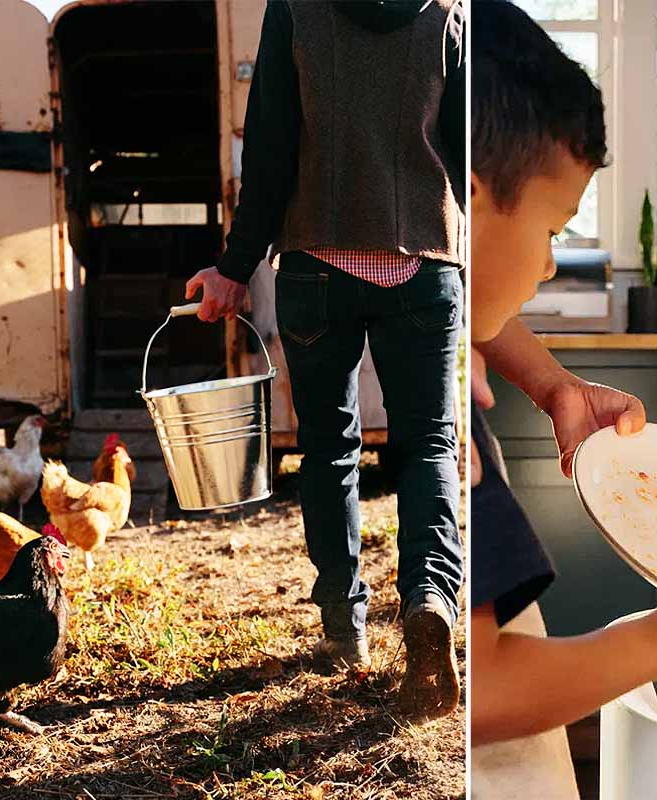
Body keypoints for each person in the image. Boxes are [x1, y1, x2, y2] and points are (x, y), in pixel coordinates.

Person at [468, 1, 657, 793]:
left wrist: (556, 384)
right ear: (468, 203)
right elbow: (480, 692)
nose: (545, 269)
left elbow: (463, 286)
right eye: (554, 229)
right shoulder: (437, 414)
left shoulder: (401, 309)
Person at [185, 0, 466, 720]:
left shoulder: (298, 9)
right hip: (425, 263)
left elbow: (272, 146)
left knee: (328, 449)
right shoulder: (447, 12)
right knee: (429, 444)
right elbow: (469, 159)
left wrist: (234, 266)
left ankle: (345, 630)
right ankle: (430, 597)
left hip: (317, 267)